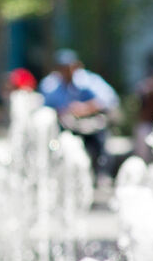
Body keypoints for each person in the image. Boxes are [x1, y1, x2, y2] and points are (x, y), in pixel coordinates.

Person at [39, 49, 120, 178]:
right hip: (65, 125)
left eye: (68, 67)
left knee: (100, 142)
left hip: (90, 125)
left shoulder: (89, 80)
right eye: (62, 68)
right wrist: (63, 111)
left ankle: (102, 175)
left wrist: (86, 108)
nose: (65, 71)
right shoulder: (50, 84)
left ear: (77, 66)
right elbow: (45, 107)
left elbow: (109, 100)